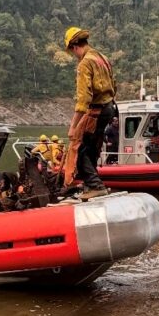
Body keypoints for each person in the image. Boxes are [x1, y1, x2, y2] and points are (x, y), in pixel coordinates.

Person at [63, 27, 113, 199]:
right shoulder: (102, 58)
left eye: (72, 51)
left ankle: (95, 186)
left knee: (79, 149)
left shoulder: (85, 63)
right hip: (109, 108)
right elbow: (114, 85)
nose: (74, 54)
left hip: (96, 110)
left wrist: (73, 126)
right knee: (92, 148)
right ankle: (91, 184)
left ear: (75, 46)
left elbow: (83, 99)